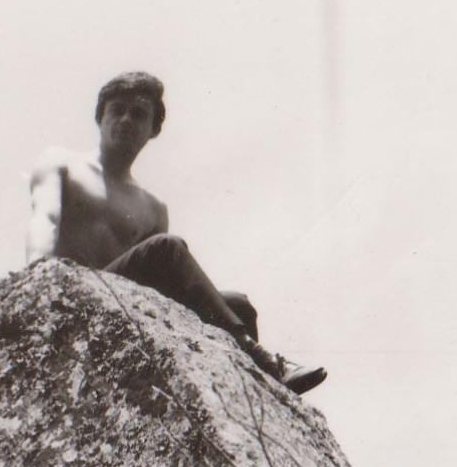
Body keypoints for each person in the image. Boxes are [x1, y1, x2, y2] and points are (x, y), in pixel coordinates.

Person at [26, 72, 326, 395]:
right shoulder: (62, 163)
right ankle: (267, 364)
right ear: (100, 116)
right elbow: (45, 220)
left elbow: (160, 291)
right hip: (74, 292)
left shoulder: (153, 207)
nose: (126, 120)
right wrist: (36, 282)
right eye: (117, 109)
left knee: (238, 306)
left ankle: (257, 397)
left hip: (122, 304)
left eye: (139, 114)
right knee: (168, 248)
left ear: (153, 131)